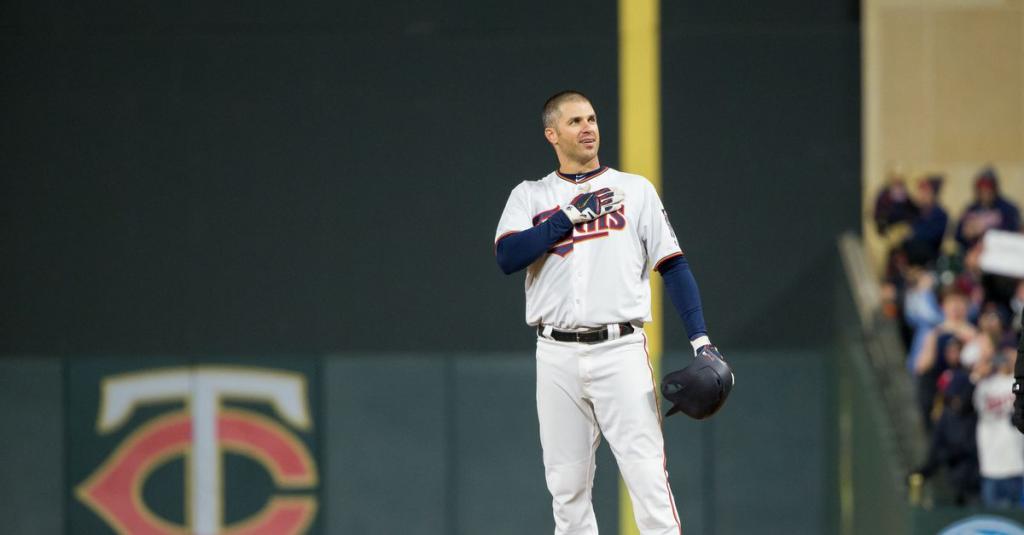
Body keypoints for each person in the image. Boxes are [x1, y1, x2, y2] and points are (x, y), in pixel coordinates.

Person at [493, 90, 716, 535]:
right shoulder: (531, 196)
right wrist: (565, 219)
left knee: (648, 476)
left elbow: (673, 264)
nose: (589, 127)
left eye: (592, 118)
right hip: (555, 354)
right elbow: (507, 255)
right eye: (575, 121)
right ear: (552, 134)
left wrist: (701, 341)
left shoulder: (634, 190)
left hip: (620, 348)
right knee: (566, 487)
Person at [973, 349, 1024, 508]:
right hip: (991, 467)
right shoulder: (985, 385)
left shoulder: (1018, 382)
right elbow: (966, 402)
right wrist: (979, 371)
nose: (1004, 361)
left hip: (1018, 466)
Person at [955, 167, 1022, 251]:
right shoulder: (971, 209)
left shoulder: (1008, 209)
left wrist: (985, 231)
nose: (985, 191)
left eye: (989, 187)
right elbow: (958, 234)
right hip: (973, 255)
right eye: (982, 187)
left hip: (999, 254)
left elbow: (1013, 234)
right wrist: (965, 233)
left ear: (995, 188)